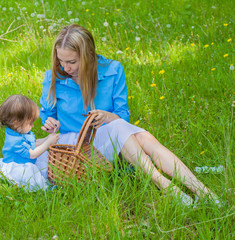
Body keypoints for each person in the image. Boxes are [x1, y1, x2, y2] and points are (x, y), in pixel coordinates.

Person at [39, 24, 219, 205]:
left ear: (88, 56)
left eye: (72, 62)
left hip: (109, 138)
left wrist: (108, 117)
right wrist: (49, 122)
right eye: (61, 60)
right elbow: (47, 114)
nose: (65, 67)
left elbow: (122, 116)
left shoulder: (113, 70)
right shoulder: (53, 77)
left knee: (141, 136)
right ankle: (166, 186)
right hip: (74, 145)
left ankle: (202, 190)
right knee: (127, 132)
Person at [0, 94, 59, 191]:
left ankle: (47, 178)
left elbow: (34, 144)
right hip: (18, 168)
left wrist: (47, 138)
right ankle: (43, 187)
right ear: (16, 123)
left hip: (25, 161)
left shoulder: (18, 131)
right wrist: (48, 143)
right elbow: (32, 154)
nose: (32, 126)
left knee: (43, 155)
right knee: (30, 172)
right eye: (30, 123)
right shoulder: (14, 141)